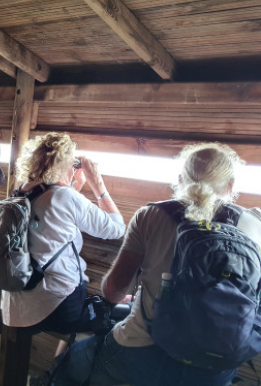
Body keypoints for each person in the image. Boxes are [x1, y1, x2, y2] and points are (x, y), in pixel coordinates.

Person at [56, 143, 261, 386]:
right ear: (230, 186)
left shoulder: (149, 215)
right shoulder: (255, 224)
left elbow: (113, 291)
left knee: (72, 358)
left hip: (142, 350)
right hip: (215, 364)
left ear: (180, 179)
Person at [0, 132, 126, 383]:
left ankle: (47, 375)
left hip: (14, 298)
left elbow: (53, 212)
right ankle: (56, 376)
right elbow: (117, 228)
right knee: (102, 315)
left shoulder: (22, 190)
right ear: (67, 164)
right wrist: (97, 183)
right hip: (56, 305)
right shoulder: (65, 197)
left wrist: (71, 185)